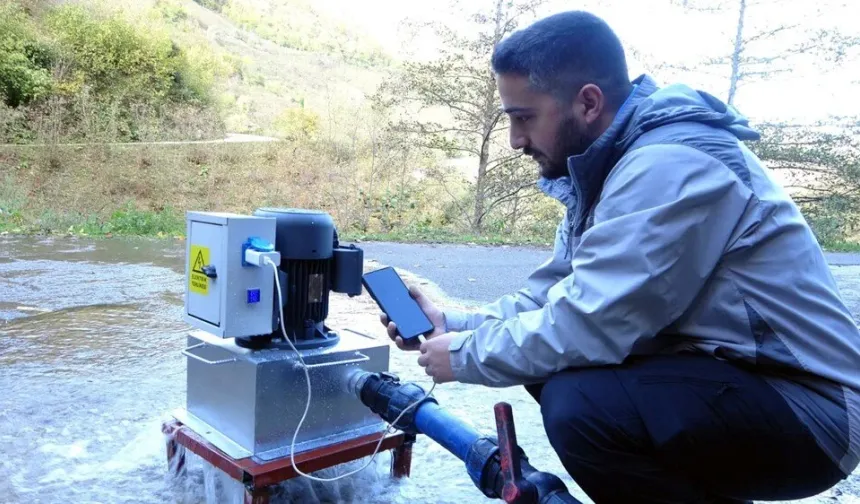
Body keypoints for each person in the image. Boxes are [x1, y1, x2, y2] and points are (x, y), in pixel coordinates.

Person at [380, 9, 860, 504]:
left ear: (588, 102)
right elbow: (551, 300)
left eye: (524, 118)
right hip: (738, 382)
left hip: (811, 409)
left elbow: (590, 325)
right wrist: (452, 323)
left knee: (580, 402)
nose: (515, 140)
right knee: (556, 374)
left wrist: (460, 356)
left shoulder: (671, 164)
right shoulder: (605, 172)